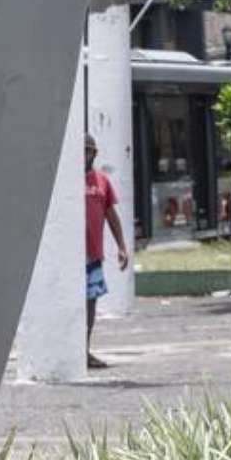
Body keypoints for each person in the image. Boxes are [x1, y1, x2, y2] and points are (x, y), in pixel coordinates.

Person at [85, 134, 130, 370]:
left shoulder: (101, 181)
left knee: (90, 302)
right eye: (81, 150)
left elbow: (111, 215)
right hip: (71, 259)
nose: (84, 155)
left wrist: (121, 246)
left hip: (93, 254)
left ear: (95, 153)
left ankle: (85, 349)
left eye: (88, 151)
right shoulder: (65, 181)